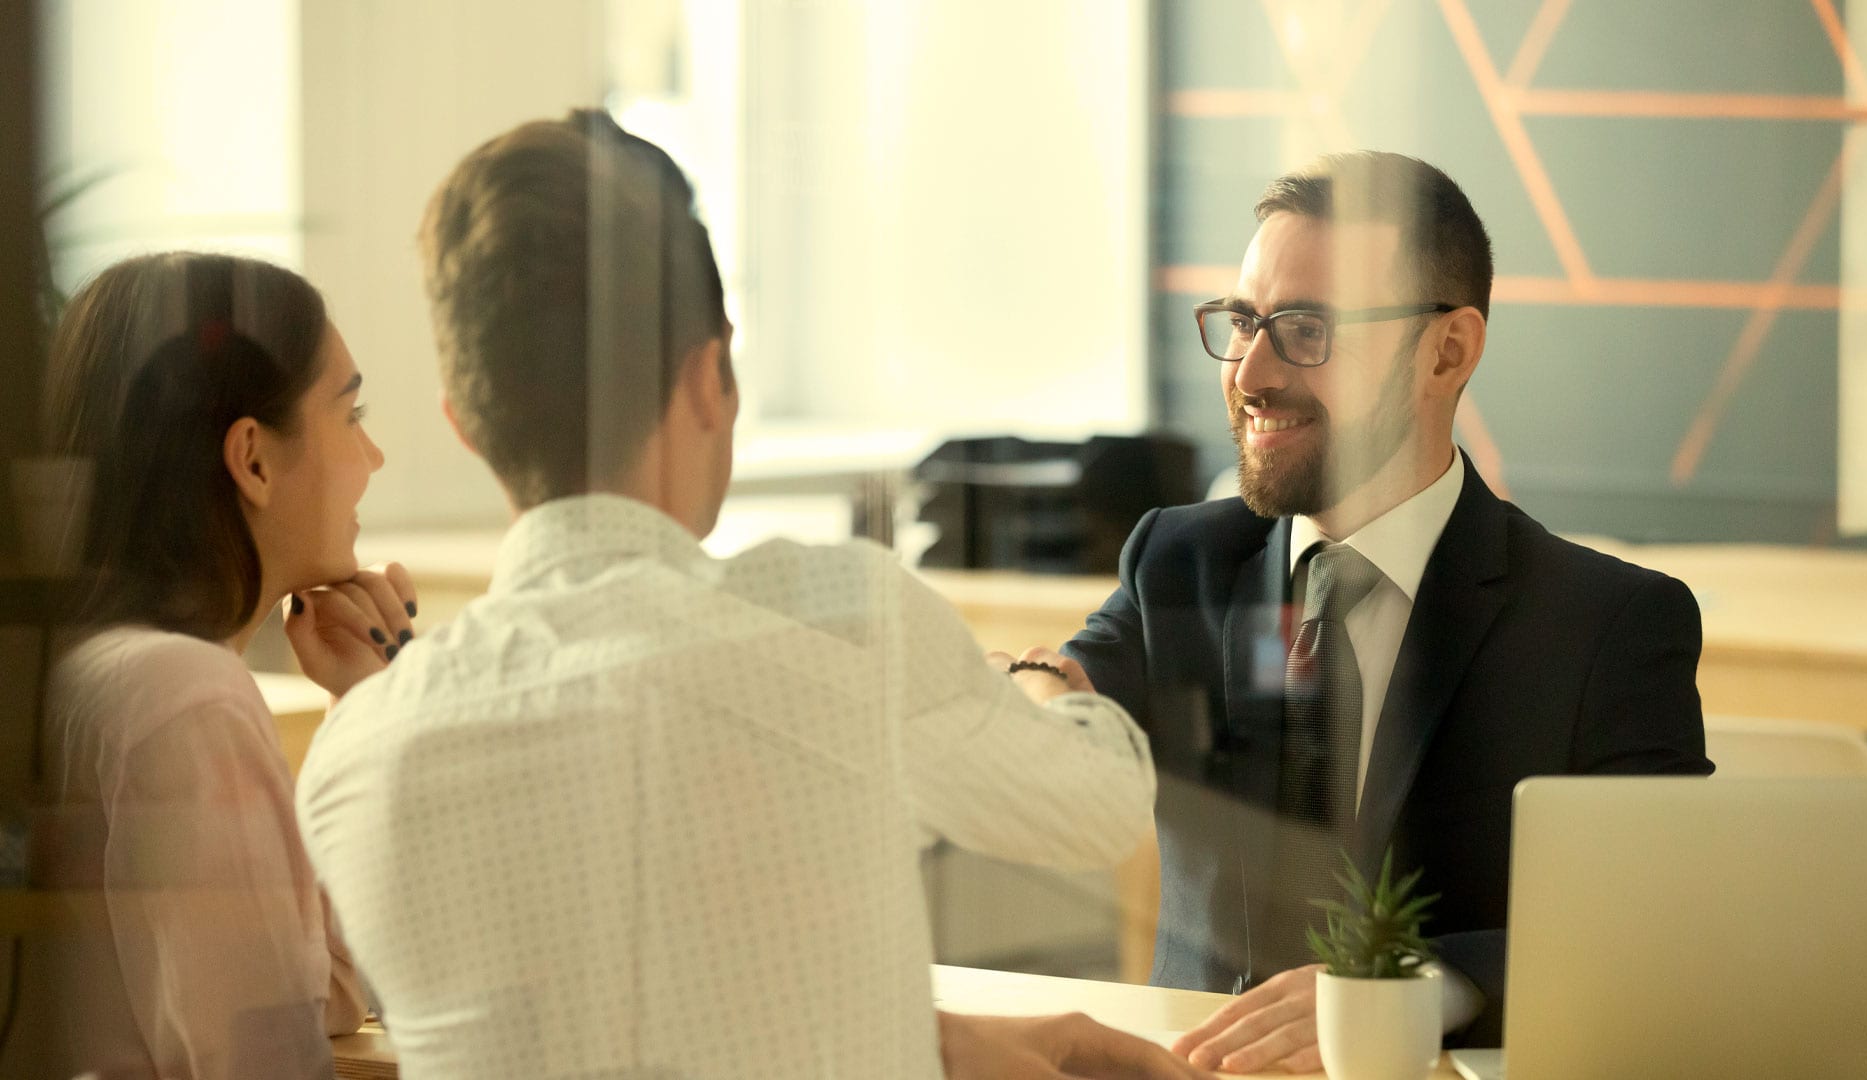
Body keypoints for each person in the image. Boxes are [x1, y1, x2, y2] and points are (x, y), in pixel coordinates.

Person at [293, 110, 1205, 1080]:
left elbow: (613, 1010)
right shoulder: (838, 618)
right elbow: (1100, 808)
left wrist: (937, 1042)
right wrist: (1037, 683)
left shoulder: (356, 758)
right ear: (707, 377)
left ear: (466, 425)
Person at [1059, 151, 1713, 1072]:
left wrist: (1408, 990)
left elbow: (1656, 926)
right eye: (1243, 322)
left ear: (1448, 352)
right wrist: (1034, 689)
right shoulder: (1179, 562)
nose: (1249, 373)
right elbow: (1067, 697)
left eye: (1307, 329)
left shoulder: (1606, 626)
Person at [9, 252, 418, 1079]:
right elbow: (267, 1060)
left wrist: (357, 705)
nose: (373, 457)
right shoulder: (185, 695)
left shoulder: (97, 666)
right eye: (351, 414)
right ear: (253, 460)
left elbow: (323, 992)